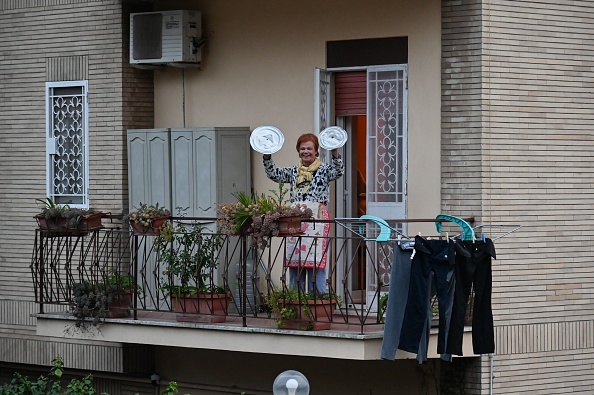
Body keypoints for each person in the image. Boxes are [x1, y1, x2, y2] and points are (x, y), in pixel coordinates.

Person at [263, 133, 344, 293]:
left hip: (317, 220)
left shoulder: (324, 170)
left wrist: (335, 152)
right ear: (298, 151)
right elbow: (274, 174)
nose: (305, 151)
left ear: (316, 151)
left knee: (316, 263)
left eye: (309, 148)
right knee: (296, 262)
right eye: (302, 148)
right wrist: (267, 155)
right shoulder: (294, 171)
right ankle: (295, 300)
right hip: (296, 220)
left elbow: (338, 171)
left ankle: (317, 300)